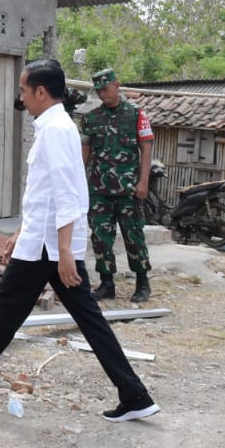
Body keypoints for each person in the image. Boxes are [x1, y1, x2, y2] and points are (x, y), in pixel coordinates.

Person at [0, 58, 160, 423]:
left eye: (23, 89)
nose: (21, 96)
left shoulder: (56, 129)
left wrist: (66, 251)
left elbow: (68, 193)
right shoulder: (52, 125)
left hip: (50, 248)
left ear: (40, 91)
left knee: (4, 312)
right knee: (78, 318)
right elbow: (45, 192)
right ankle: (134, 393)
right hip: (44, 242)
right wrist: (22, 231)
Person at [83, 68, 154, 303]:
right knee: (100, 237)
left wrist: (143, 182)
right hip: (99, 190)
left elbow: (146, 149)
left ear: (117, 85)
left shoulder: (136, 115)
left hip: (129, 189)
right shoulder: (91, 118)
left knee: (134, 235)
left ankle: (142, 283)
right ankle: (106, 284)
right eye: (99, 90)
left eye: (106, 88)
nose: (103, 94)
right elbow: (85, 154)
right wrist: (80, 186)